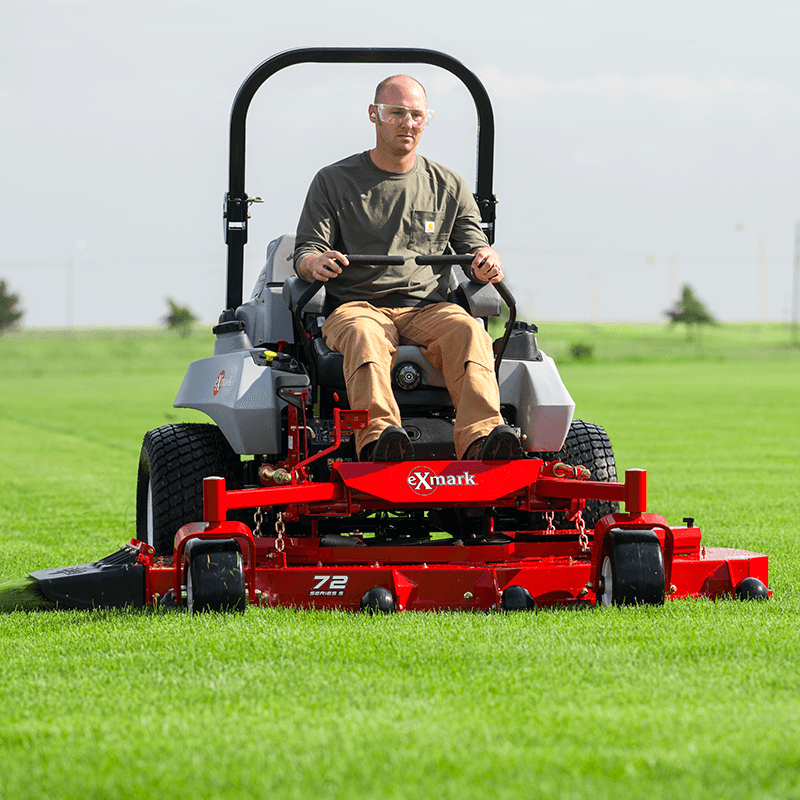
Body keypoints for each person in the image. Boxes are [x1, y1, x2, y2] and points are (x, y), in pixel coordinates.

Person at [294, 74, 523, 463]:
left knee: (469, 330)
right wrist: (316, 262)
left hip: (428, 308)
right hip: (356, 306)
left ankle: (484, 440)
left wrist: (486, 261)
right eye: (397, 113)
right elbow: (306, 252)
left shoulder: (448, 185)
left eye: (417, 115)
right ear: (374, 115)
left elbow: (474, 250)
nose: (408, 123)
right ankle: (381, 441)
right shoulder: (334, 181)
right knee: (365, 335)